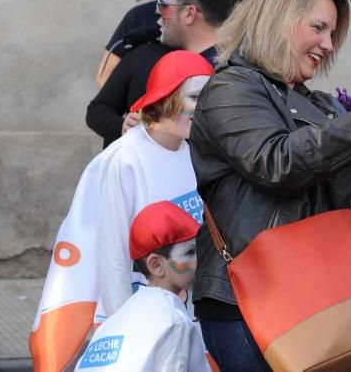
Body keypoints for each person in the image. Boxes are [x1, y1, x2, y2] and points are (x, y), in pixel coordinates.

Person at [189, 0, 351, 372]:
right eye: (318, 27)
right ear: (277, 20)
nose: (328, 45)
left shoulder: (317, 102)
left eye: (332, 33)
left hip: (327, 295)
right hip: (258, 302)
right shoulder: (230, 89)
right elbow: (278, 162)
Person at [29, 50, 214, 371]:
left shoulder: (194, 154)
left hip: (183, 312)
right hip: (136, 314)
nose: (205, 108)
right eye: (197, 96)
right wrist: (126, 324)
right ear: (167, 97)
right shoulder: (124, 159)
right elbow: (112, 250)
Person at [86, 0, 232, 146]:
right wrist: (123, 125)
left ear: (189, 13)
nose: (157, 12)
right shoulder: (147, 54)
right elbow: (99, 109)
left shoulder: (232, 73)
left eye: (163, 5)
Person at [76, 201, 208, 371]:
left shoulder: (117, 319)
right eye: (190, 252)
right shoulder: (173, 320)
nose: (200, 259)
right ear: (156, 265)